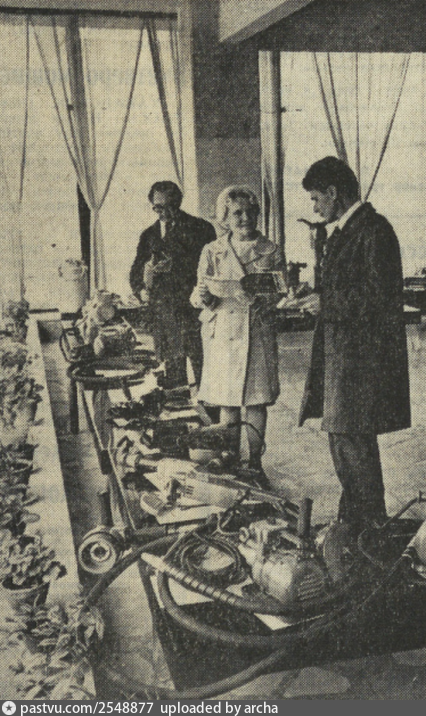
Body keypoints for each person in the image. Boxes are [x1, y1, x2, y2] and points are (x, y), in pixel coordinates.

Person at [299, 156, 410, 533]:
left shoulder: (375, 230)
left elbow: (383, 297)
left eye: (316, 198)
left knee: (354, 443)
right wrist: (316, 293)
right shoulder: (345, 231)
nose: (315, 207)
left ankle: (369, 528)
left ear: (333, 192)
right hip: (344, 356)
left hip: (362, 360)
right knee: (343, 441)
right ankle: (355, 523)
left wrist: (327, 303)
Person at [191, 186, 283, 487]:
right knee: (227, 401)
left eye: (250, 212)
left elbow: (280, 292)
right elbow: (197, 294)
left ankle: (255, 462)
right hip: (223, 333)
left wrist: (263, 298)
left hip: (256, 331)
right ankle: (229, 455)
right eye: (237, 213)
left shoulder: (271, 250)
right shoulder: (211, 250)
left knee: (256, 401)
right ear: (225, 218)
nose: (245, 218)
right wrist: (204, 296)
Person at [130, 181, 216, 388]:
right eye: (158, 208)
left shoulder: (201, 228)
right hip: (164, 312)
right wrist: (141, 291)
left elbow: (213, 269)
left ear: (179, 202)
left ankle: (209, 406)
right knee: (173, 377)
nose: (165, 213)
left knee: (205, 371)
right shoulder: (149, 235)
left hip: (194, 311)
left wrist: (177, 265)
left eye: (171, 206)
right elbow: (136, 270)